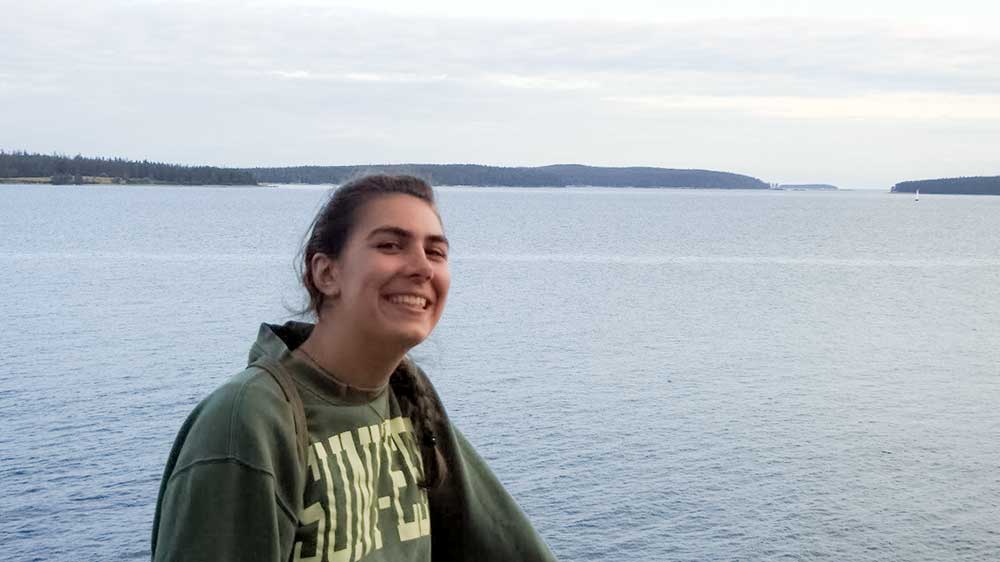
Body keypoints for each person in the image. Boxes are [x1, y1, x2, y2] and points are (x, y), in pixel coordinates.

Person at [151, 174, 557, 562]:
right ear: (327, 273)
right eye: (390, 245)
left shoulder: (406, 393)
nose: (423, 268)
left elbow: (503, 541)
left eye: (435, 252)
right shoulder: (248, 421)